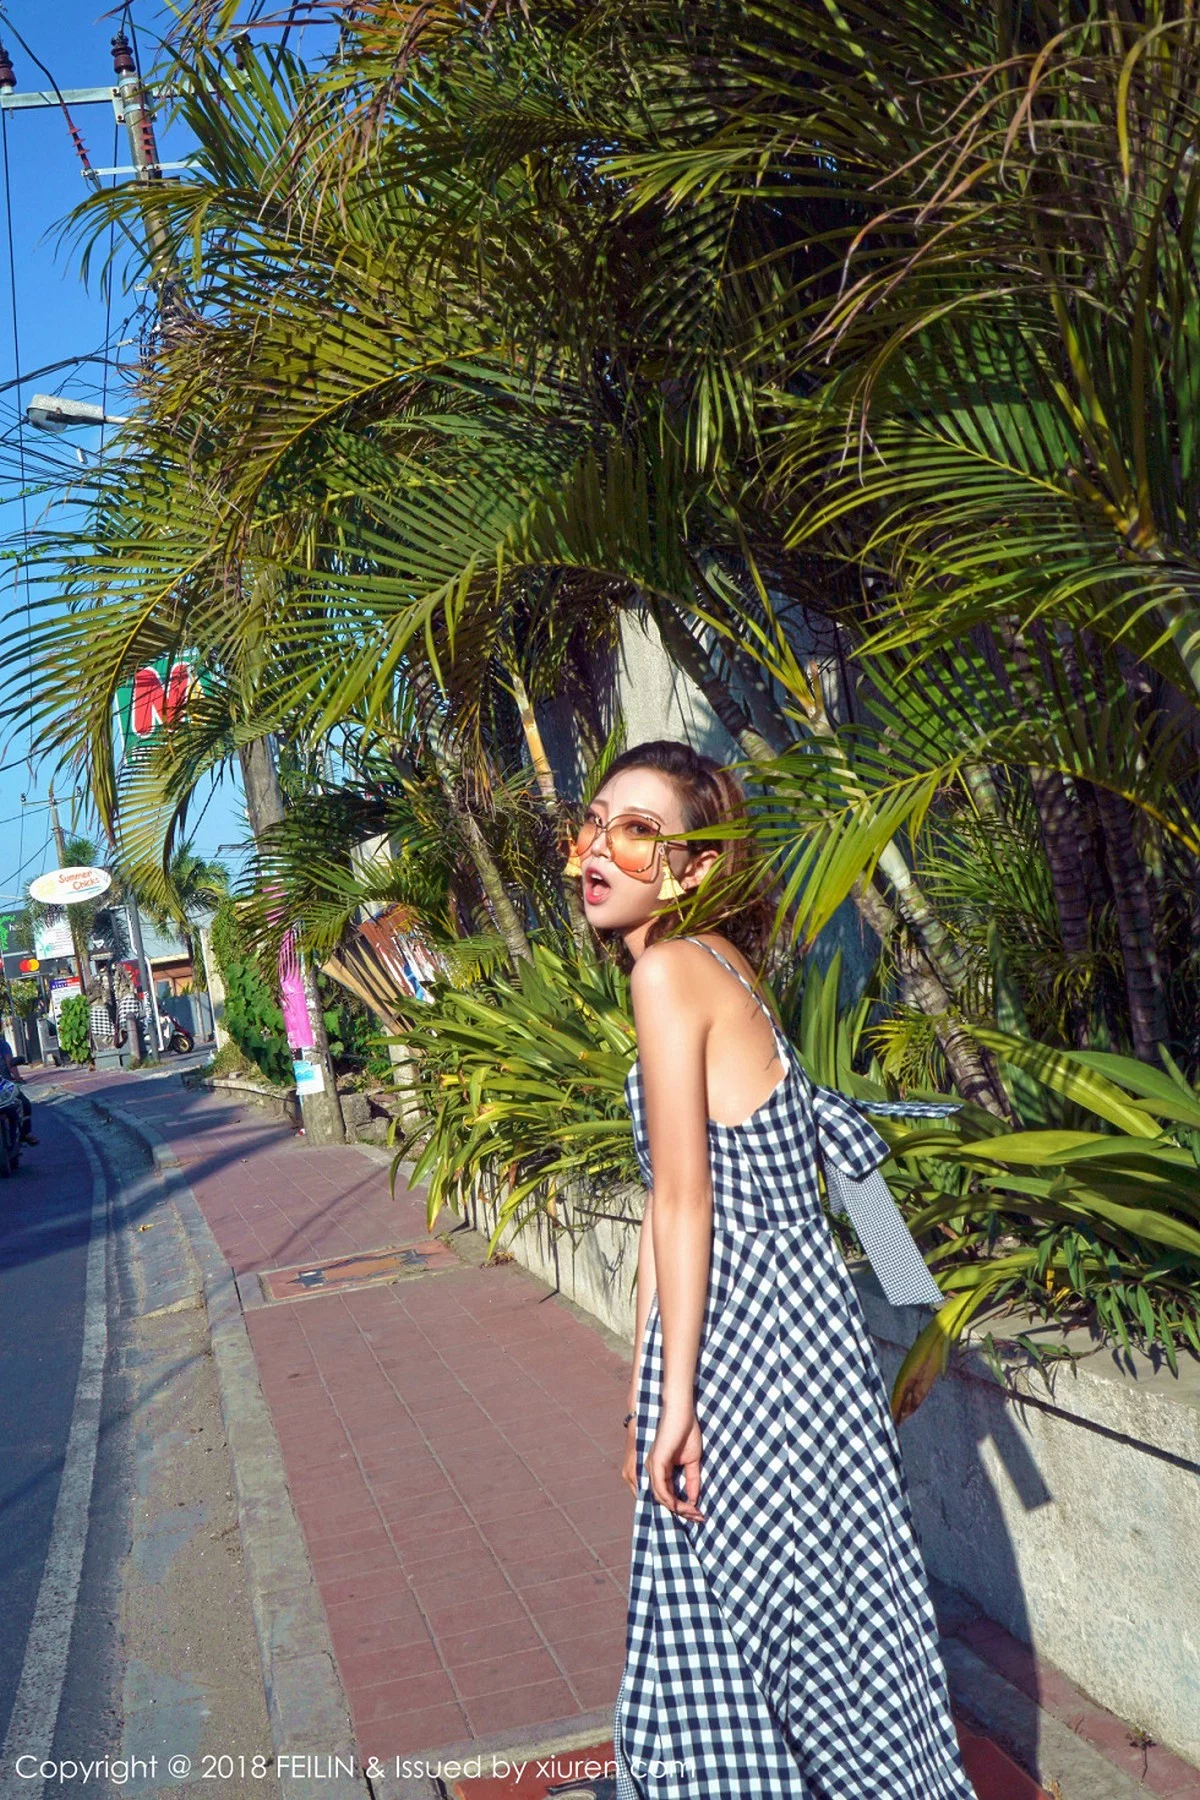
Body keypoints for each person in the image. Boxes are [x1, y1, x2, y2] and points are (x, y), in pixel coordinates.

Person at [567, 739, 975, 1800]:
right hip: (800, 1338)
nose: (596, 850)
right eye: (592, 822)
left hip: (747, 1345)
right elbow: (672, 1199)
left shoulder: (669, 973)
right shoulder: (722, 965)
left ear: (697, 865)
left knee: (724, 1630)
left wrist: (675, 1406)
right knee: (821, 1626)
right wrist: (644, 1385)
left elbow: (685, 1202)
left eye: (636, 832)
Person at [0, 1030, 37, 1146]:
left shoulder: (2, 1045)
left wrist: (17, 1078)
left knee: (24, 1104)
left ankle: (24, 1133)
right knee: (24, 1104)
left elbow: (10, 1063)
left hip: (3, 1085)